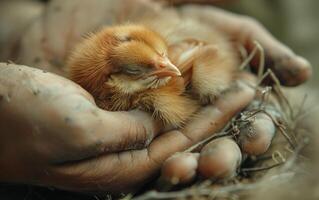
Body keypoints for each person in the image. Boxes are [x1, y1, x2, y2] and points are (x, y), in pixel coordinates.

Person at [0, 0, 312, 195]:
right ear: (111, 78)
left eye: (162, 57)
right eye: (144, 68)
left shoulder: (161, 59)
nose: (171, 68)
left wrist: (17, 22)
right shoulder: (122, 86)